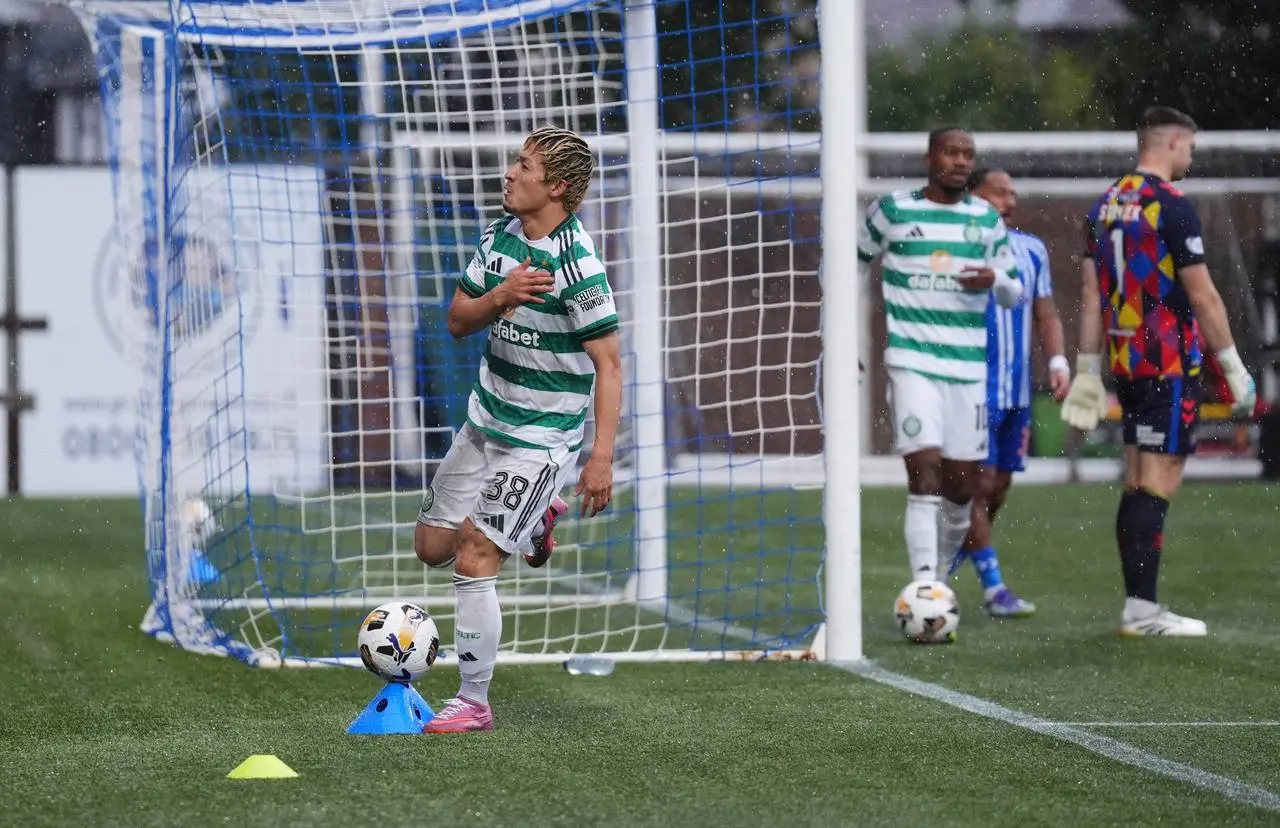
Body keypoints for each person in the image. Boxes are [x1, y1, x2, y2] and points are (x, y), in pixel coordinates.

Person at [413, 126, 622, 729]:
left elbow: (608, 364)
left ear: (556, 186)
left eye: (523, 165)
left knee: (475, 557)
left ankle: (473, 700)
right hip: (484, 419)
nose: (509, 173)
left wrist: (599, 456)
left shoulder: (577, 264)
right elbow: (456, 321)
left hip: (541, 437)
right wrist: (501, 296)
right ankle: (537, 520)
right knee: (432, 548)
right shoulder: (499, 237)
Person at [1061, 105, 1256, 636]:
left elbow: (1090, 294)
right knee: (1157, 481)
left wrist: (1087, 370)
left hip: (1127, 361)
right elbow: (1204, 294)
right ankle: (1143, 611)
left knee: (1135, 480)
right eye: (1189, 146)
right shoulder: (1170, 205)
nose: (1190, 155)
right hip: (1168, 362)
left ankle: (1138, 605)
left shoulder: (1104, 205)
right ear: (1172, 140)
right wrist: (1234, 367)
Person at [858, 127, 1025, 594]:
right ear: (930, 157)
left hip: (968, 372)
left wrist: (993, 278)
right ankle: (926, 585)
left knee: (960, 489)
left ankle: (944, 571)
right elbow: (849, 262)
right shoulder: (892, 210)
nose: (960, 162)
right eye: (951, 153)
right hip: (912, 363)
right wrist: (842, 341)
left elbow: (1015, 293)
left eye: (968, 155)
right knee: (923, 472)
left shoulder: (986, 221)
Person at [945, 168, 1071, 618]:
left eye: (1014, 193)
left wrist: (1058, 361)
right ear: (974, 196)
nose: (1009, 201)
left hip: (1016, 391)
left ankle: (951, 562)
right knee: (976, 487)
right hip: (973, 389)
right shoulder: (956, 242)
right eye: (999, 193)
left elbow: (1046, 313)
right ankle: (994, 587)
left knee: (997, 489)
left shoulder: (1031, 249)